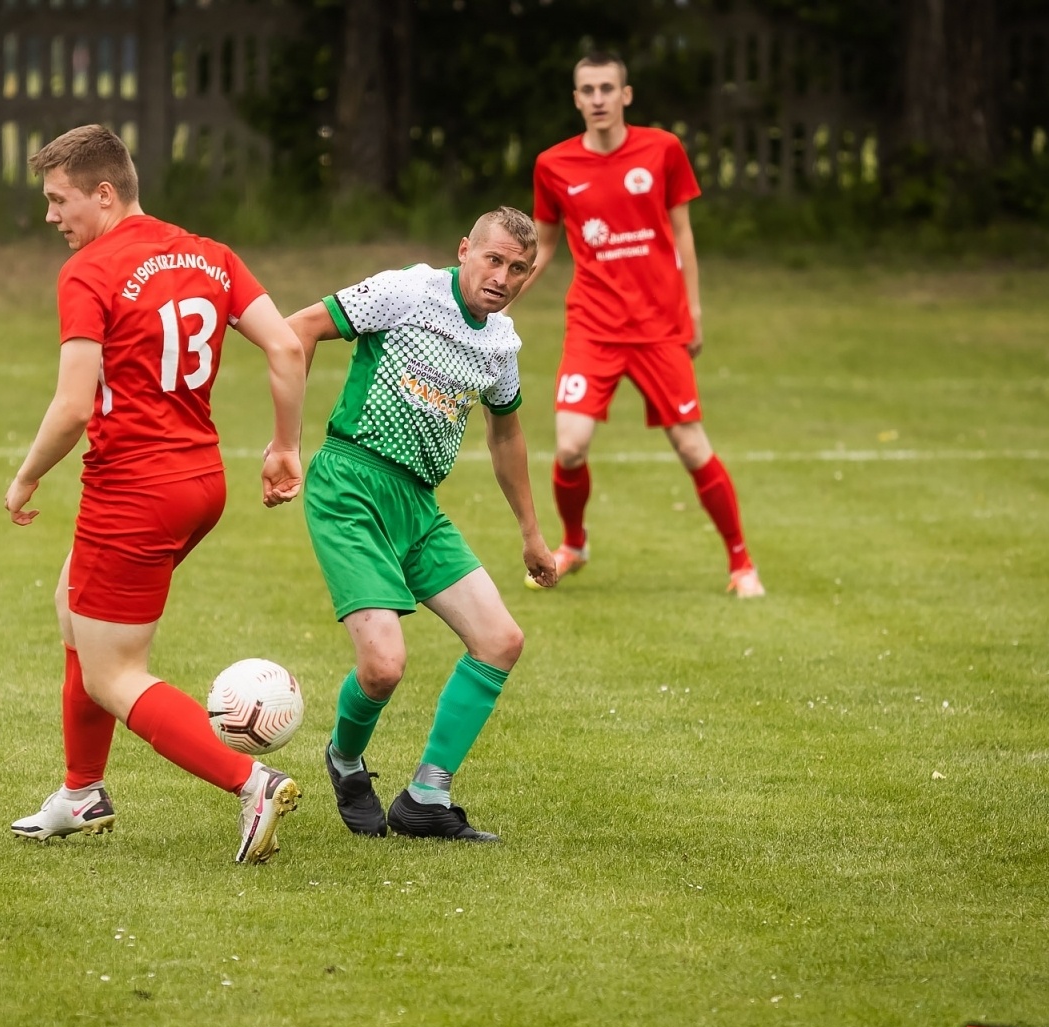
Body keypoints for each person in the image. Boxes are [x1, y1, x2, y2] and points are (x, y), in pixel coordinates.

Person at [4, 125, 309, 865]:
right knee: (71, 604)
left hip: (135, 489)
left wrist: (26, 473)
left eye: (58, 199)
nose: (52, 217)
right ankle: (82, 793)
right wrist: (284, 444)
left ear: (103, 193)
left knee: (115, 672)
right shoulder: (210, 252)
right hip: (200, 480)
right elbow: (287, 345)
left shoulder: (89, 271)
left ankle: (252, 782)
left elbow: (74, 406)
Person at [285, 207, 558, 843]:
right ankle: (346, 761)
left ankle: (425, 798)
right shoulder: (406, 292)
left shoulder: (501, 345)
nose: (502, 277)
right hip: (350, 485)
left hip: (418, 505)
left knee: (501, 641)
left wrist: (531, 533)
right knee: (383, 667)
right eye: (492, 259)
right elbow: (299, 330)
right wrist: (284, 443)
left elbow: (506, 432)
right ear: (464, 250)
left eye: (518, 269)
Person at [519, 50, 764, 597]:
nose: (599, 98)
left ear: (626, 95)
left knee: (692, 447)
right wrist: (500, 297)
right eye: (589, 90)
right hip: (592, 326)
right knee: (570, 445)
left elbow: (683, 236)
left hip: (657, 327)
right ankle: (574, 545)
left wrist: (693, 311)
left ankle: (741, 564)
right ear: (577, 99)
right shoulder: (553, 165)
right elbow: (545, 247)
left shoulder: (662, 150)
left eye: (609, 88)